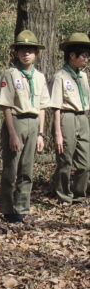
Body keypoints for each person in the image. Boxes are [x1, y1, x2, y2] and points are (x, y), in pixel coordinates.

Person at [0, 30, 51, 223]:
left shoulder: (39, 77)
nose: (26, 53)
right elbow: (6, 106)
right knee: (11, 168)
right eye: (22, 50)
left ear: (36, 53)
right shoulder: (11, 74)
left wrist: (41, 134)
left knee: (27, 169)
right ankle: (7, 207)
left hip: (33, 123)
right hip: (16, 122)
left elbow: (43, 107)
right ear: (16, 52)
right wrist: (12, 134)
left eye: (30, 50)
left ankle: (22, 206)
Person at [50, 32, 90, 205]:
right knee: (65, 159)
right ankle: (64, 195)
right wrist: (58, 132)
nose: (86, 59)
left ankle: (80, 194)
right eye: (84, 56)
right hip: (66, 117)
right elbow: (56, 107)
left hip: (82, 117)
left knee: (85, 162)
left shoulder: (83, 76)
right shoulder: (60, 76)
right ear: (72, 56)